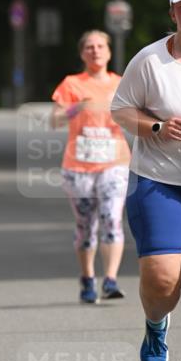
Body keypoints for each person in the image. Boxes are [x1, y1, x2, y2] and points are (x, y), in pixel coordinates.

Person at [111, 0, 181, 361]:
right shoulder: (150, 61)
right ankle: (156, 322)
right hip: (158, 180)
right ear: (173, 14)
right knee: (163, 281)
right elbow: (120, 110)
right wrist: (155, 126)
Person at [51, 30, 131, 303]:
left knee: (111, 218)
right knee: (86, 225)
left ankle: (110, 279)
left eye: (100, 46)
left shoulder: (122, 84)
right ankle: (87, 278)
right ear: (82, 53)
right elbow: (56, 120)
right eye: (89, 47)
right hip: (79, 166)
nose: (95, 51)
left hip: (114, 163)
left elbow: (138, 115)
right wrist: (79, 107)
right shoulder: (72, 84)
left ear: (109, 52)